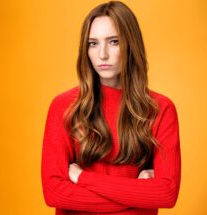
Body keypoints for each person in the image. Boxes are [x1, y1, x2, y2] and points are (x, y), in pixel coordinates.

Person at [41, 1, 181, 214]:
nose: (102, 55)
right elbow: (54, 193)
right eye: (93, 43)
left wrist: (81, 177)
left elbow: (166, 194)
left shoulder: (161, 109)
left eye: (114, 42)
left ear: (130, 45)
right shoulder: (64, 106)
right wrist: (140, 194)